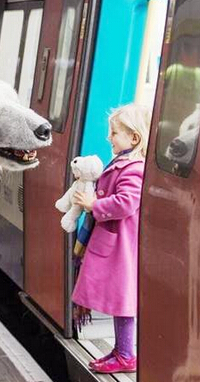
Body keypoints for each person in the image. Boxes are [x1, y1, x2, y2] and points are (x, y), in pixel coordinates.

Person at [69, 103, 150, 374]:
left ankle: (126, 355)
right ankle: (120, 350)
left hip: (121, 247)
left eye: (114, 133)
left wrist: (94, 205)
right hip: (113, 243)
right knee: (118, 301)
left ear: (134, 138)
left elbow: (127, 203)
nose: (109, 137)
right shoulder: (122, 163)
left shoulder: (135, 169)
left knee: (123, 302)